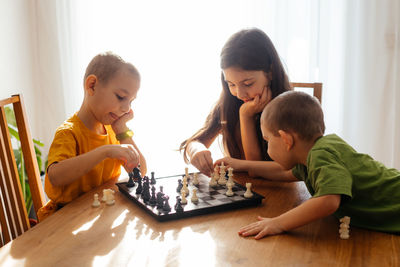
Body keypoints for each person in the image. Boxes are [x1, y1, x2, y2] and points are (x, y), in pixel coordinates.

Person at [219, 91, 400, 239]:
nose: (267, 148)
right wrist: (240, 164)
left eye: (267, 141)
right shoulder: (313, 154)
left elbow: (328, 201)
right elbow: (284, 172)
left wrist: (277, 223)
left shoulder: (320, 155)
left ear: (286, 139)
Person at [37, 52, 147, 221]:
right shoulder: (69, 132)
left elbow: (141, 171)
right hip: (64, 222)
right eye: (121, 97)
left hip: (96, 215)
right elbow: (55, 176)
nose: (126, 108)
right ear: (92, 85)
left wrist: (121, 130)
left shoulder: (112, 130)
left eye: (131, 101)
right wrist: (106, 151)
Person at [179, 28, 291, 177]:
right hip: (244, 190)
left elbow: (256, 169)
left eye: (248, 83)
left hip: (281, 193)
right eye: (231, 84)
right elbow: (194, 142)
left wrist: (245, 116)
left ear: (270, 72)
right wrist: (197, 150)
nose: (239, 94)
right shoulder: (230, 102)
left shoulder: (290, 108)